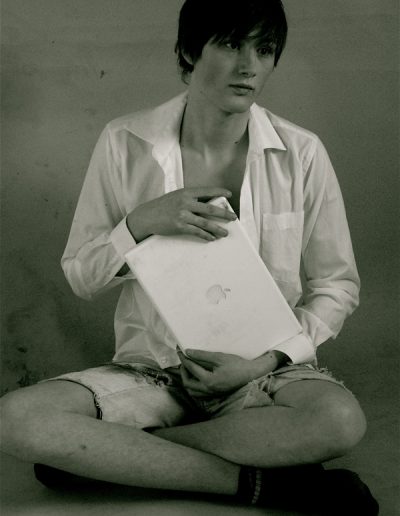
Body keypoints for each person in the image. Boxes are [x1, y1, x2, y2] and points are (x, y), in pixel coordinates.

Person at [1, 1, 378, 514]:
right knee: (16, 418)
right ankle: (262, 485)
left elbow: (337, 285)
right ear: (188, 52)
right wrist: (140, 224)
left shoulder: (302, 152)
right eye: (231, 44)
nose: (249, 66)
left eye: (264, 50)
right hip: (153, 373)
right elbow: (82, 276)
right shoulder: (125, 142)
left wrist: (262, 363)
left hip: (261, 372)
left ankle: (112, 457)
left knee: (340, 421)